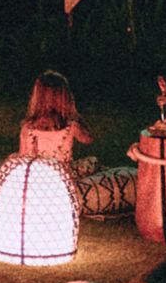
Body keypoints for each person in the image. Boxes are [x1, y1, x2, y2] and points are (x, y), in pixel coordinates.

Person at [18, 69, 135, 216]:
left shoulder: (27, 128)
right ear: (65, 98)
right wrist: (77, 116)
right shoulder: (71, 126)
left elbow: (23, 156)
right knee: (92, 161)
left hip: (35, 178)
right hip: (60, 178)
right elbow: (89, 139)